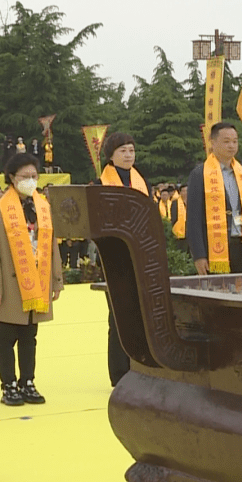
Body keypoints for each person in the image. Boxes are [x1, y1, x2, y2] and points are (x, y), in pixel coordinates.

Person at [0, 153, 63, 406]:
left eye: (34, 176)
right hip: (9, 283)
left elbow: (52, 247)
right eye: (25, 176)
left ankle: (28, 381)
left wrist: (56, 281)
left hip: (36, 281)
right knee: (6, 336)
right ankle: (9, 385)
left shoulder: (43, 208)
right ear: (12, 178)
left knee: (30, 336)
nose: (30, 181)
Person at [93, 132, 150, 385]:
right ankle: (119, 374)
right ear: (111, 155)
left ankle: (139, 367)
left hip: (139, 255)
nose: (129, 155)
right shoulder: (98, 184)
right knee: (118, 316)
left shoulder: (140, 181)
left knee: (139, 314)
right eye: (123, 151)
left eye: (131, 150)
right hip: (113, 257)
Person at [186, 122, 242, 275]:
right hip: (214, 247)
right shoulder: (200, 174)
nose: (231, 146)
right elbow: (193, 218)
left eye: (235, 141)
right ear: (212, 143)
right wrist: (198, 255)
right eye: (226, 141)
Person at [171, 184, 188, 254]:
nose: (185, 193)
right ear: (180, 192)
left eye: (187, 191)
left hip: (191, 230)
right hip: (180, 230)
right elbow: (174, 217)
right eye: (183, 191)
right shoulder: (175, 202)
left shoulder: (192, 202)